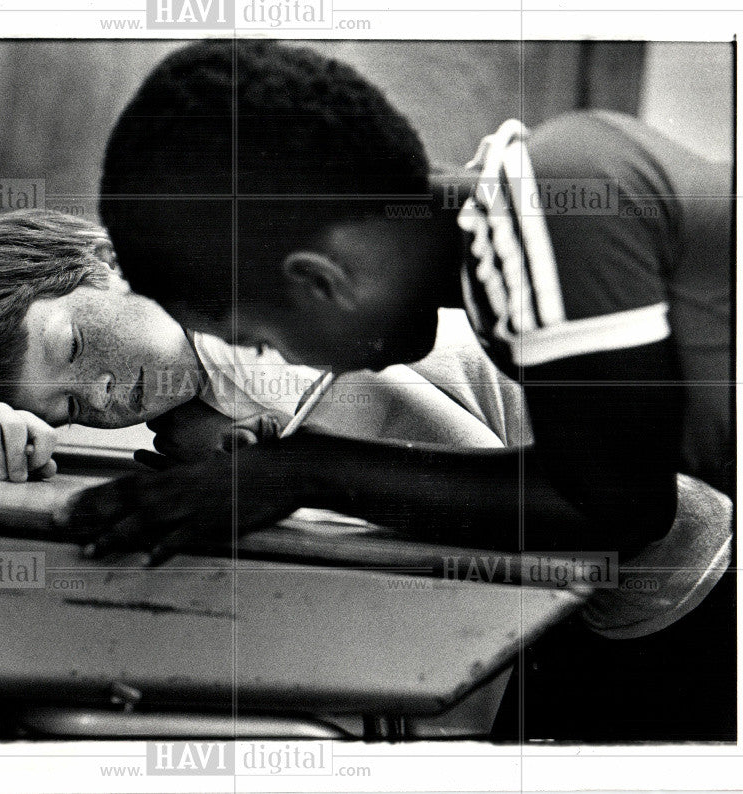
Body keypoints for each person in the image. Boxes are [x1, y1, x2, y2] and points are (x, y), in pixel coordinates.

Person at [78, 40, 734, 741]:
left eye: (263, 340)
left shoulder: (561, 193)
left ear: (322, 280)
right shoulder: (506, 255)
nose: (282, 360)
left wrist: (302, 469)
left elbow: (618, 507)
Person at [0, 209, 528, 484]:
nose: (104, 395)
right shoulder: (192, 373)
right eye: (69, 410)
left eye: (74, 348)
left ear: (105, 261)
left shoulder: (242, 319)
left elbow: (492, 487)